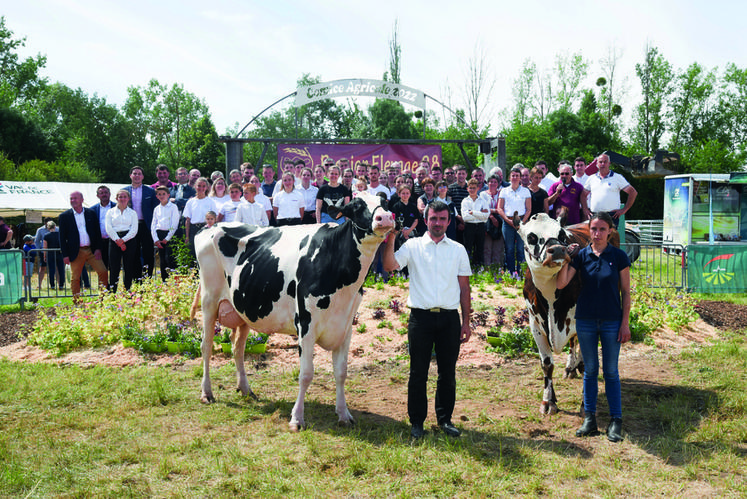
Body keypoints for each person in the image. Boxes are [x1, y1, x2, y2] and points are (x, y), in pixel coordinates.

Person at [382, 200, 472, 439]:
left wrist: (466, 322)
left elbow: (465, 288)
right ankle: (417, 423)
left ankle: (445, 420)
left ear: (449, 221)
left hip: (449, 320)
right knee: (418, 373)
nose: (438, 223)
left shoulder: (457, 250)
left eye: (443, 219)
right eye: (434, 218)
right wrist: (391, 239)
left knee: (447, 373)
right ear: (426, 220)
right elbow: (390, 265)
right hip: (420, 320)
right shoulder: (412, 246)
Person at [556, 212, 631, 442]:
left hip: (611, 322)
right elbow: (561, 283)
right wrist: (567, 258)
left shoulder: (618, 256)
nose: (597, 234)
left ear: (610, 231)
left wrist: (625, 323)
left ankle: (615, 420)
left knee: (610, 372)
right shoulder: (582, 256)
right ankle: (590, 419)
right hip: (586, 321)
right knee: (590, 371)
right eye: (593, 229)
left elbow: (626, 292)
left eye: (601, 229)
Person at [59, 191, 109, 299]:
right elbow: (62, 238)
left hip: (92, 250)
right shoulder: (64, 216)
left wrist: (98, 249)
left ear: (82, 200)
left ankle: (103, 299)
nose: (73, 201)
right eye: (71, 199)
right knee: (75, 278)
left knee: (103, 272)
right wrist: (65, 255)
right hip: (76, 251)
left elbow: (97, 232)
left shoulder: (91, 213)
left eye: (75, 198)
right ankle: (77, 302)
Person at [582, 153, 638, 228]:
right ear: (597, 164)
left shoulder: (617, 177)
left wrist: (624, 210)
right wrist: (585, 209)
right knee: (595, 238)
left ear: (609, 163)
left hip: (611, 216)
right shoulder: (591, 178)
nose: (603, 164)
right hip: (595, 215)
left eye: (605, 162)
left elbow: (633, 192)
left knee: (610, 239)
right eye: (600, 162)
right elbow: (583, 194)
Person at [124, 166, 157, 279]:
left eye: (139, 174)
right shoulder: (124, 191)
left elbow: (155, 210)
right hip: (131, 227)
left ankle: (147, 279)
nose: (137, 176)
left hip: (146, 226)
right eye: (134, 173)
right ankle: (137, 279)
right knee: (134, 253)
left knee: (148, 253)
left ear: (142, 176)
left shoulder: (151, 191)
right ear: (130, 176)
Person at [497, 167, 531, 274]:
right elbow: (499, 208)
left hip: (521, 222)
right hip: (508, 223)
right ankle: (511, 273)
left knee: (521, 249)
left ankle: (521, 273)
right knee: (509, 249)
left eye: (517, 175)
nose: (515, 177)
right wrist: (507, 220)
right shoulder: (504, 191)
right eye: (513, 175)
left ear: (520, 178)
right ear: (509, 177)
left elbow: (529, 209)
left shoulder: (526, 191)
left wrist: (522, 222)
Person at [106, 190, 139, 292]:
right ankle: (112, 292)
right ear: (116, 198)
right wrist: (117, 240)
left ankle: (127, 290)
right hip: (114, 239)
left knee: (128, 267)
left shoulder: (133, 213)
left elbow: (134, 230)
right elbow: (108, 227)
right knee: (114, 268)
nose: (122, 199)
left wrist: (123, 241)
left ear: (128, 199)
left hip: (129, 240)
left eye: (125, 197)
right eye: (120, 197)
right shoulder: (110, 212)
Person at [151, 186, 180, 281]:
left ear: (168, 195)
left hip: (170, 235)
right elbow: (153, 224)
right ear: (157, 196)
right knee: (162, 260)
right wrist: (156, 239)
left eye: (163, 194)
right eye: (159, 194)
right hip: (159, 234)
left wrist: (167, 238)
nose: (162, 196)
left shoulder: (173, 207)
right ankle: (164, 281)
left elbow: (174, 224)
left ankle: (173, 281)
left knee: (170, 259)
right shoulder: (156, 208)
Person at [183, 178, 216, 259]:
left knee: (206, 253)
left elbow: (215, 219)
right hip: (194, 229)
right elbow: (187, 220)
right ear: (195, 186)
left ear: (207, 187)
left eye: (203, 186)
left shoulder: (210, 201)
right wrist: (187, 237)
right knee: (193, 253)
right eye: (199, 186)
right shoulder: (190, 202)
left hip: (207, 229)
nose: (201, 188)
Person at [461, 178, 490, 265]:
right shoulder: (465, 201)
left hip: (480, 226)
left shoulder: (483, 201)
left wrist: (473, 212)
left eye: (474, 188)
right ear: (467, 189)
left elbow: (486, 217)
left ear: (478, 188)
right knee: (468, 248)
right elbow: (465, 217)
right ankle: (468, 267)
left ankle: (480, 268)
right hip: (469, 227)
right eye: (470, 188)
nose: (472, 190)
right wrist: (480, 213)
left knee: (480, 249)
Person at [481, 175, 504, 267]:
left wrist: (490, 210)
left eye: (495, 182)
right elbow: (482, 209)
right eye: (491, 181)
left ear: (498, 183)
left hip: (500, 224)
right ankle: (487, 270)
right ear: (487, 183)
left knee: (498, 249)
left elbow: (502, 208)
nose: (493, 184)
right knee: (487, 248)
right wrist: (492, 216)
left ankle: (497, 270)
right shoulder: (483, 194)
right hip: (487, 224)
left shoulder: (501, 194)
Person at [92, 185, 116, 271]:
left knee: (114, 266)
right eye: (101, 193)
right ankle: (104, 284)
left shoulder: (117, 207)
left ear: (109, 194)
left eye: (106, 192)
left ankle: (114, 284)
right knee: (102, 268)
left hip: (114, 241)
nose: (104, 195)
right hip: (100, 243)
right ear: (97, 195)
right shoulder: (92, 210)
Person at [43, 221, 65, 290]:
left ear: (48, 228)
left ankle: (52, 285)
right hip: (59, 253)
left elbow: (45, 247)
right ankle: (61, 284)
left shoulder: (46, 236)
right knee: (61, 269)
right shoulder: (60, 234)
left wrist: (44, 255)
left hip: (50, 253)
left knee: (51, 270)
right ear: (55, 227)